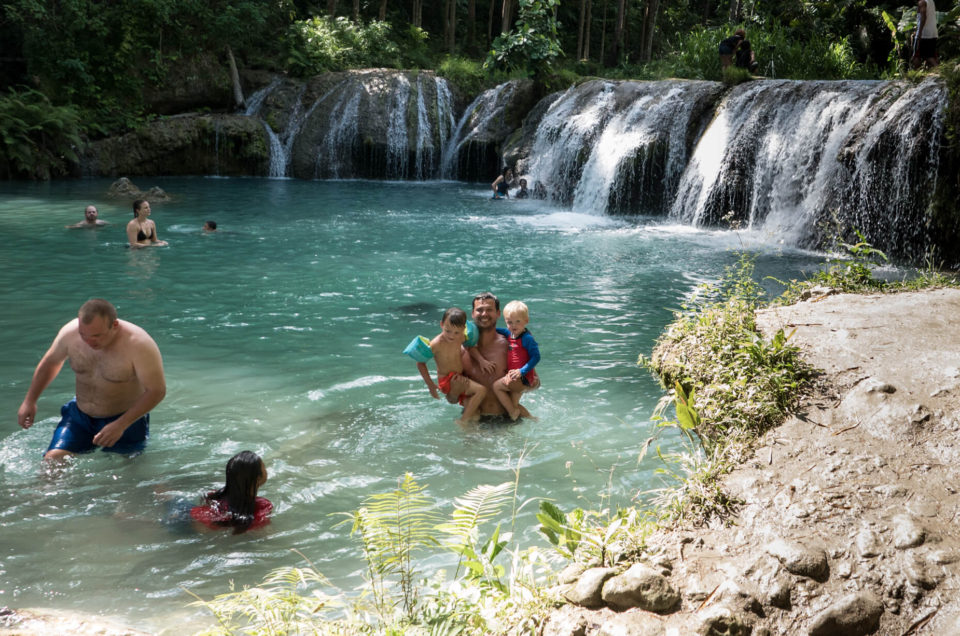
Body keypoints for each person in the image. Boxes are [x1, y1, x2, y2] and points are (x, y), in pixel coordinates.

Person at [17, 299, 166, 461]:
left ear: (114, 325)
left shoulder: (138, 344)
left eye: (97, 336)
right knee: (52, 460)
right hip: (80, 415)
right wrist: (30, 400)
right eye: (83, 335)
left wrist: (121, 425)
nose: (89, 342)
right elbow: (51, 363)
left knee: (128, 471)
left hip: (125, 419)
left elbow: (156, 391)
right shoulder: (70, 333)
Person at [460, 292, 538, 419]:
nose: (484, 314)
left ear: (498, 313)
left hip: (508, 417)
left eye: (489, 310)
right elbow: (451, 397)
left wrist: (520, 385)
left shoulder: (512, 344)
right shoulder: (462, 349)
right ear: (473, 314)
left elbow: (534, 381)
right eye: (479, 310)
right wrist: (453, 390)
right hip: (474, 418)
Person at [415, 307, 487, 425]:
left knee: (474, 413)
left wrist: (482, 360)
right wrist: (430, 385)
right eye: (447, 330)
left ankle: (469, 434)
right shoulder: (436, 344)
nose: (451, 336)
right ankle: (462, 421)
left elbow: (470, 347)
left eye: (456, 332)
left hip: (459, 376)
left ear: (463, 329)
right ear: (441, 324)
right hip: (447, 380)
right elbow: (420, 363)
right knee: (481, 391)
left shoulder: (461, 338)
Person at [188, 451, 272, 534]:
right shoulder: (262, 506)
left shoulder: (214, 495)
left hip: (188, 519)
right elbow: (265, 534)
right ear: (258, 478)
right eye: (264, 467)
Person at [491, 301, 541, 421]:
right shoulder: (509, 333)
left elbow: (536, 357)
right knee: (512, 404)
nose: (513, 326)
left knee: (496, 386)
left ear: (526, 321)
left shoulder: (527, 338)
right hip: (515, 375)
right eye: (509, 322)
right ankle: (532, 418)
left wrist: (521, 371)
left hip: (521, 376)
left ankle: (514, 413)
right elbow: (499, 330)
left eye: (518, 321)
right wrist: (484, 329)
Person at [912, 0, 938, 69]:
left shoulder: (922, 2)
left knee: (917, 55)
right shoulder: (931, 1)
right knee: (930, 55)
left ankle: (914, 74)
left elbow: (923, 18)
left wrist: (919, 32)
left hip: (924, 34)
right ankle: (937, 71)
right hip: (933, 33)